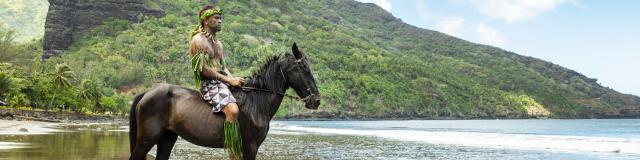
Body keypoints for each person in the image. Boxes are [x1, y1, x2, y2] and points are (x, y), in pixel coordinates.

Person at [188, 5, 244, 159]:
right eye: (216, 18)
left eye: (220, 18)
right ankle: (233, 154)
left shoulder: (219, 44)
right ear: (205, 20)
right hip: (208, 84)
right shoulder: (198, 40)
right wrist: (228, 80)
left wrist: (234, 80)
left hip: (222, 82)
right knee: (233, 111)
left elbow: (222, 67)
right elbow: (203, 69)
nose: (220, 21)